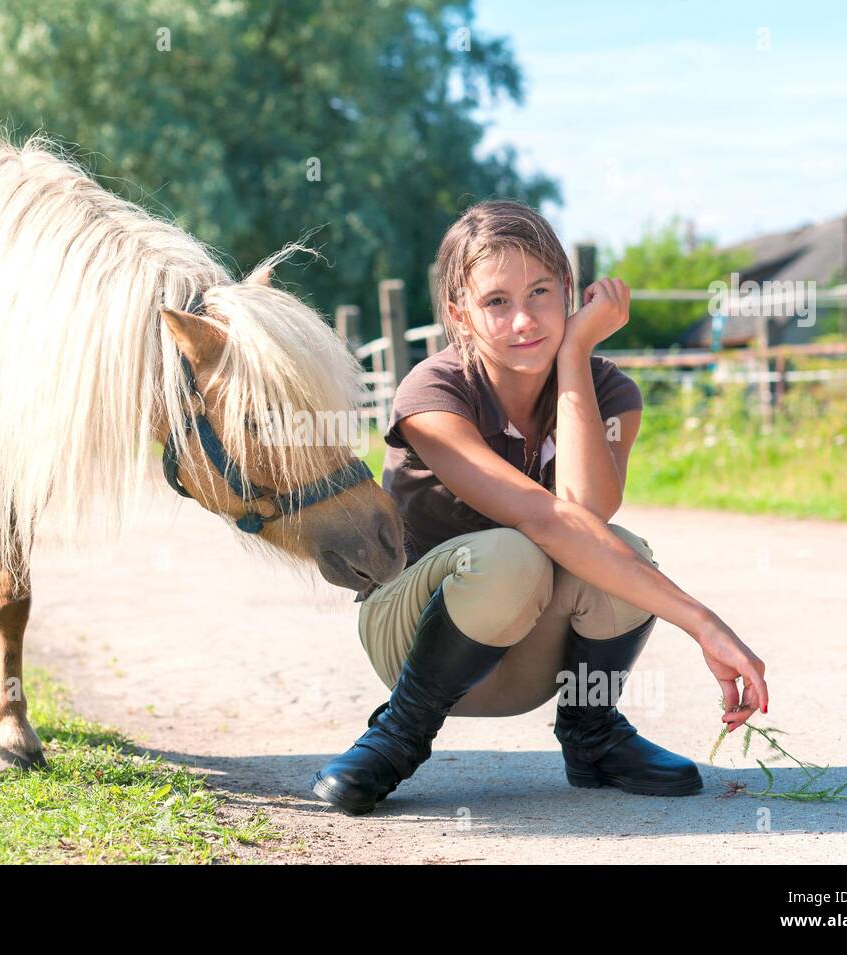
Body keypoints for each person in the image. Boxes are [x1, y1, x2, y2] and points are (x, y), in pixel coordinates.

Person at [311, 200, 768, 815]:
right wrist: (704, 624)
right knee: (516, 549)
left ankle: (592, 735)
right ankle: (397, 735)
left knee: (621, 552)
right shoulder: (433, 394)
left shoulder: (609, 392)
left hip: (530, 655)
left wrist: (575, 355)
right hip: (412, 636)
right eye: (496, 301)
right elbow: (549, 517)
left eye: (541, 292)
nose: (524, 319)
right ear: (460, 314)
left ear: (568, 293)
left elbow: (586, 510)